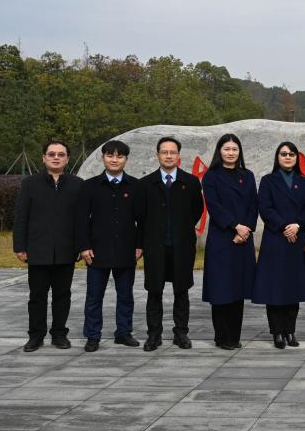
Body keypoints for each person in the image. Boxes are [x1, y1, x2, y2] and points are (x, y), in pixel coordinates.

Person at [13, 140, 84, 352]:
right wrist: (19, 246)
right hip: (37, 250)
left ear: (67, 159)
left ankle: (59, 334)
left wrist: (81, 246)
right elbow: (21, 217)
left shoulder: (78, 184)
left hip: (66, 250)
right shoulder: (30, 184)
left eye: (60, 154)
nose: (56, 157)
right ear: (44, 158)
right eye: (51, 154)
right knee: (37, 296)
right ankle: (36, 336)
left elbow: (82, 220)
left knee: (62, 295)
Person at [135, 136, 204, 351]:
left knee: (181, 291)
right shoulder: (145, 184)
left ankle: (181, 333)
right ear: (157, 155)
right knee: (154, 291)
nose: (168, 156)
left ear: (178, 156)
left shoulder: (190, 182)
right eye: (164, 152)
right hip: (155, 246)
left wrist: (181, 228)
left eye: (172, 152)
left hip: (181, 246)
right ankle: (154, 334)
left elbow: (197, 210)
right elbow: (140, 217)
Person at [75, 140, 140, 352]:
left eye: (119, 156)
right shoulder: (89, 186)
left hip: (126, 250)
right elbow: (81, 220)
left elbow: (143, 219)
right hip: (96, 251)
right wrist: (83, 247)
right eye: (110, 155)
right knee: (94, 296)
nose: (114, 160)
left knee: (125, 296)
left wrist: (140, 245)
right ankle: (93, 335)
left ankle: (123, 332)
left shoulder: (135, 186)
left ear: (126, 159)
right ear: (103, 158)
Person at [253, 141, 305, 349]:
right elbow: (265, 208)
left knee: (293, 287)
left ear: (297, 158)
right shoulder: (268, 181)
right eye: (283, 154)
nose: (288, 157)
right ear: (277, 157)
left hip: (297, 240)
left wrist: (297, 225)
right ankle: (277, 332)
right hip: (275, 239)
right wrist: (284, 227)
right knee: (275, 287)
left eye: (291, 154)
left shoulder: (303, 181)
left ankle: (290, 331)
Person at [201, 134, 258, 350]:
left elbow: (253, 205)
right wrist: (235, 226)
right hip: (222, 238)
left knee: (238, 289)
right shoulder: (211, 176)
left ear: (239, 152)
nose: (231, 153)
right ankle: (222, 337)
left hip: (243, 239)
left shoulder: (248, 175)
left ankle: (235, 336)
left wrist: (246, 229)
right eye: (227, 149)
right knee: (221, 289)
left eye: (234, 149)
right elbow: (214, 206)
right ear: (219, 151)